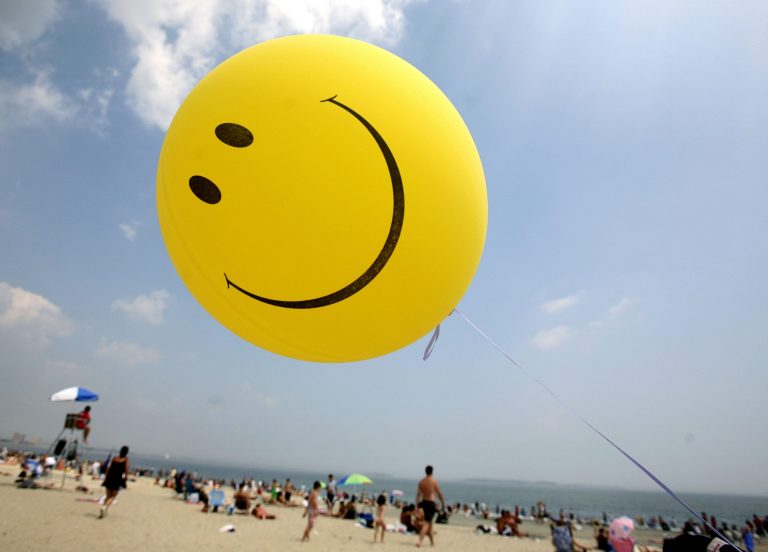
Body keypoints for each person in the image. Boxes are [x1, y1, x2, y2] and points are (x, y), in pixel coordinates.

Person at [415, 465, 446, 547]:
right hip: (431, 503)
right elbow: (439, 493)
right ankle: (420, 541)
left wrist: (417, 506)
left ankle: (432, 543)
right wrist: (443, 503)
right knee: (427, 523)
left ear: (426, 471)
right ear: (432, 471)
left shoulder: (421, 482)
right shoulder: (433, 481)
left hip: (424, 502)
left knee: (430, 524)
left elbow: (418, 495)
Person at [99, 445, 129, 519]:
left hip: (110, 477)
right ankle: (104, 507)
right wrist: (126, 479)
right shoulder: (125, 459)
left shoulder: (114, 458)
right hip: (117, 479)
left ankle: (104, 511)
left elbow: (109, 468)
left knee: (108, 496)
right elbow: (125, 470)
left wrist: (106, 477)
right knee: (113, 497)